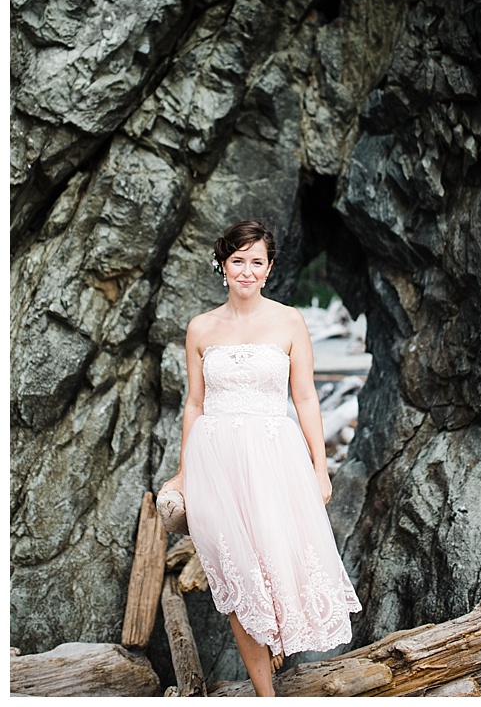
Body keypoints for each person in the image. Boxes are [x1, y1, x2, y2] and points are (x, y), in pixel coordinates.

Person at [159, 220, 361, 697]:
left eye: (256, 262)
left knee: (277, 566)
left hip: (274, 459)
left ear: (269, 269)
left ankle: (278, 653)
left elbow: (307, 397)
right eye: (237, 261)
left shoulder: (290, 320)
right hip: (215, 463)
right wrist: (186, 472)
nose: (246, 271)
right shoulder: (200, 328)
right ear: (223, 266)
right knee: (237, 574)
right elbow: (194, 403)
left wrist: (319, 466)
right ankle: (266, 694)